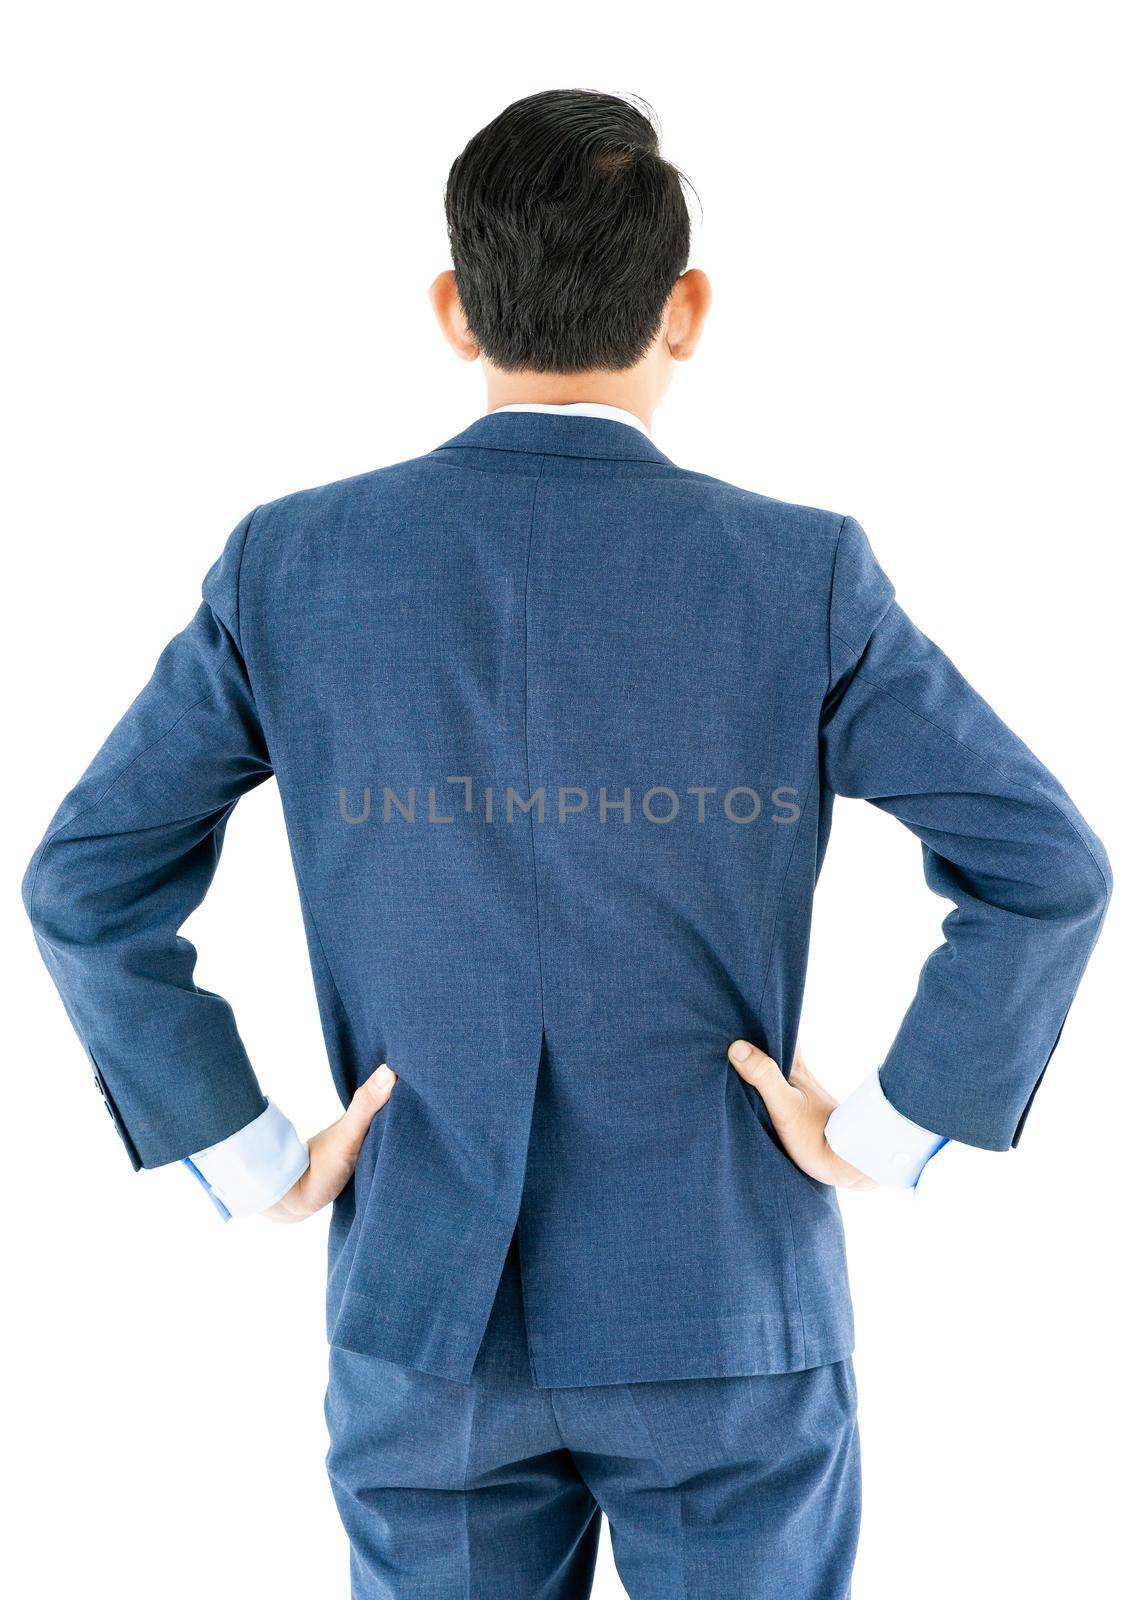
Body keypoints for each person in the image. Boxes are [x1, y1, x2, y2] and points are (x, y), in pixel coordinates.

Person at [22, 89, 1111, 1599]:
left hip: (423, 1315)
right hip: (726, 1307)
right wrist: (882, 1130)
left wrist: (252, 1155)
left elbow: (83, 878)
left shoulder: (293, 563)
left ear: (454, 311)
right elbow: (1047, 868)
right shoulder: (803, 575)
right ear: (689, 311)